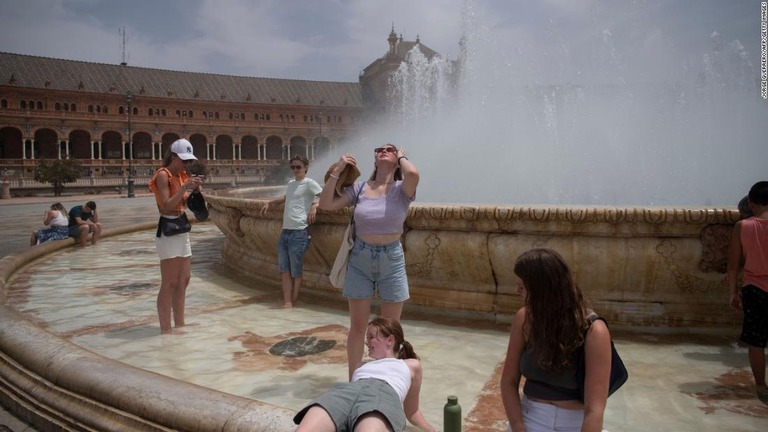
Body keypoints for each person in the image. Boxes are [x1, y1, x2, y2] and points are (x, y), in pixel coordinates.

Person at [318, 143, 419, 379]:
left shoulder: (402, 189)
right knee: (357, 327)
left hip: (391, 260)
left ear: (397, 159)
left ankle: (387, 378)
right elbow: (325, 204)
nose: (383, 150)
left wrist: (402, 156)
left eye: (389, 149)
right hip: (360, 259)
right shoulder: (359, 188)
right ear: (374, 159)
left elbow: (413, 173)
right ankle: (354, 378)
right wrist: (338, 169)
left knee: (391, 329)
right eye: (379, 149)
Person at [500, 248, 612, 432]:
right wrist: (518, 426)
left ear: (541, 289)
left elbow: (595, 410)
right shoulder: (525, 319)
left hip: (576, 422)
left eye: (522, 287)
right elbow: (508, 381)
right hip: (531, 416)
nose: (517, 292)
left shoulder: (594, 330)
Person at [293, 317, 435, 432]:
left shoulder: (410, 364)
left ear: (390, 340)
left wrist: (430, 429)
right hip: (346, 392)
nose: (366, 342)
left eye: (371, 337)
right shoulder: (361, 365)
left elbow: (412, 412)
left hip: (382, 393)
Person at [148, 138, 204, 334]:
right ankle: (166, 329)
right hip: (168, 229)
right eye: (184, 160)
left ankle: (180, 323)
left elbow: (183, 203)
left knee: (184, 279)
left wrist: (194, 191)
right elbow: (166, 205)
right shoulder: (163, 175)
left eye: (189, 162)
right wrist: (184, 187)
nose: (187, 165)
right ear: (173, 157)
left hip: (181, 227)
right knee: (169, 282)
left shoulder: (181, 175)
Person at [260, 155, 322, 308]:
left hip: (299, 232)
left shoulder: (310, 183)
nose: (295, 170)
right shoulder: (291, 183)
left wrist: (315, 205)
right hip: (285, 231)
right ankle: (287, 301)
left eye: (298, 167)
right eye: (293, 167)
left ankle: (293, 301)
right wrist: (270, 202)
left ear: (306, 168)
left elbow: (324, 195)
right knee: (284, 270)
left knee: (296, 271)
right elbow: (288, 197)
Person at [727, 181, 768, 402]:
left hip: (754, 290)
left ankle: (761, 385)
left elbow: (733, 265)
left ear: (751, 203)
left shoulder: (743, 227)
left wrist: (733, 293)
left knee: (756, 342)